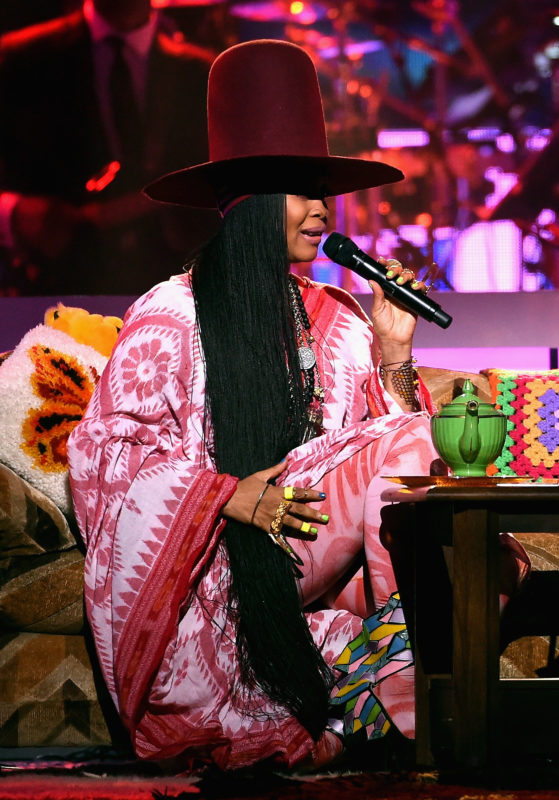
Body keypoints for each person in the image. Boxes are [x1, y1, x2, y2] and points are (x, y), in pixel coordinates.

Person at [67, 39, 526, 773]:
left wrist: (394, 357)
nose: (323, 211)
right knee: (413, 456)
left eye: (325, 191)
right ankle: (398, 699)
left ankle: (401, 690)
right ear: (247, 205)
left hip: (312, 549)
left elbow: (378, 450)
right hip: (218, 561)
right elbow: (106, 459)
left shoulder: (341, 315)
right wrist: (226, 495)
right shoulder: (171, 314)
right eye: (304, 192)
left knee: (436, 484)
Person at [0, 0, 219, 296]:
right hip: (51, 290)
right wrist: (14, 213)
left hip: (181, 296)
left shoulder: (206, 73)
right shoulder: (16, 60)